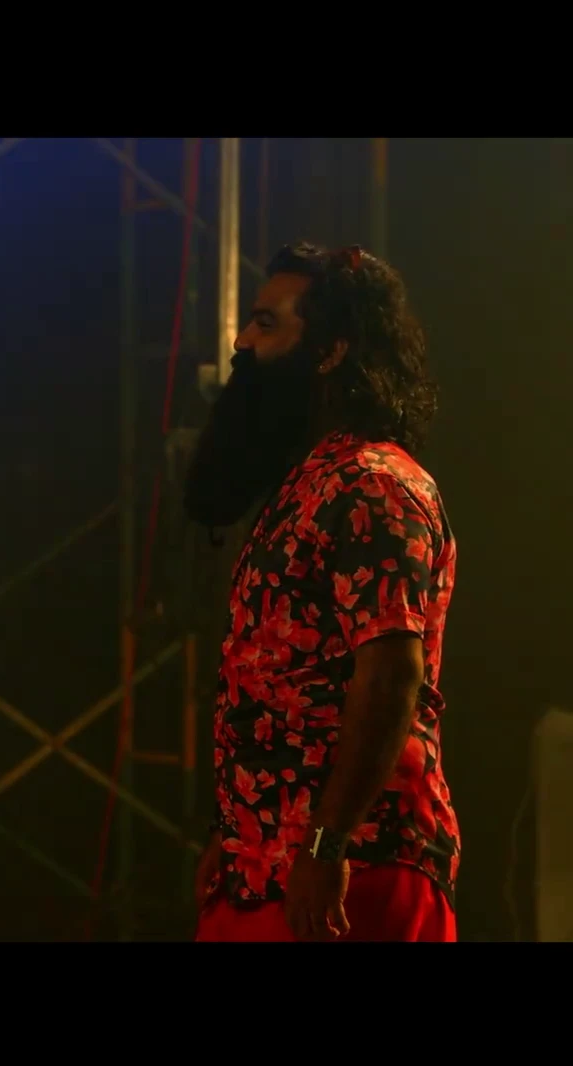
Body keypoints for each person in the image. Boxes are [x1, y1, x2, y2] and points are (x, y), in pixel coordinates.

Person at [184, 242, 458, 943]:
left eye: (266, 324)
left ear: (331, 352)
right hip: (269, 866)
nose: (242, 343)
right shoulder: (312, 480)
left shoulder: (374, 484)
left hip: (353, 871)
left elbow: (391, 675)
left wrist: (326, 842)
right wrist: (238, 834)